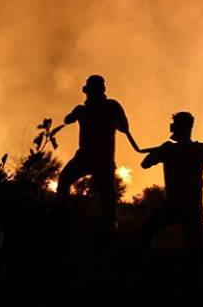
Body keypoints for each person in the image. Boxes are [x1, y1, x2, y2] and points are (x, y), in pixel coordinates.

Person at [56, 74, 140, 234]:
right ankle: (66, 217)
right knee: (106, 195)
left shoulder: (108, 107)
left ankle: (106, 227)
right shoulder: (97, 108)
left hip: (96, 159)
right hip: (93, 158)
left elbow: (124, 127)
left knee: (106, 195)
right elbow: (68, 119)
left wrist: (81, 114)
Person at [138, 111, 203, 284]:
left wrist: (163, 149)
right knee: (197, 252)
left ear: (176, 127)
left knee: (146, 230)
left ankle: (142, 269)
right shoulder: (200, 151)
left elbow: (145, 164)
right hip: (193, 208)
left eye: (174, 125)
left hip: (175, 207)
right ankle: (200, 284)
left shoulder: (169, 150)